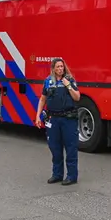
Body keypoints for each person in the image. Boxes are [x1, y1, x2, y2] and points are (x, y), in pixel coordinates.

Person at [35, 58, 81, 186]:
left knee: (70, 147)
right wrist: (38, 116)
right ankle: (57, 174)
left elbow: (77, 97)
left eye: (62, 66)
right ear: (53, 68)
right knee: (55, 147)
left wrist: (68, 85)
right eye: (58, 67)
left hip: (68, 119)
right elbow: (42, 99)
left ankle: (72, 176)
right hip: (53, 119)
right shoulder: (48, 82)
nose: (60, 69)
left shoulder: (70, 80)